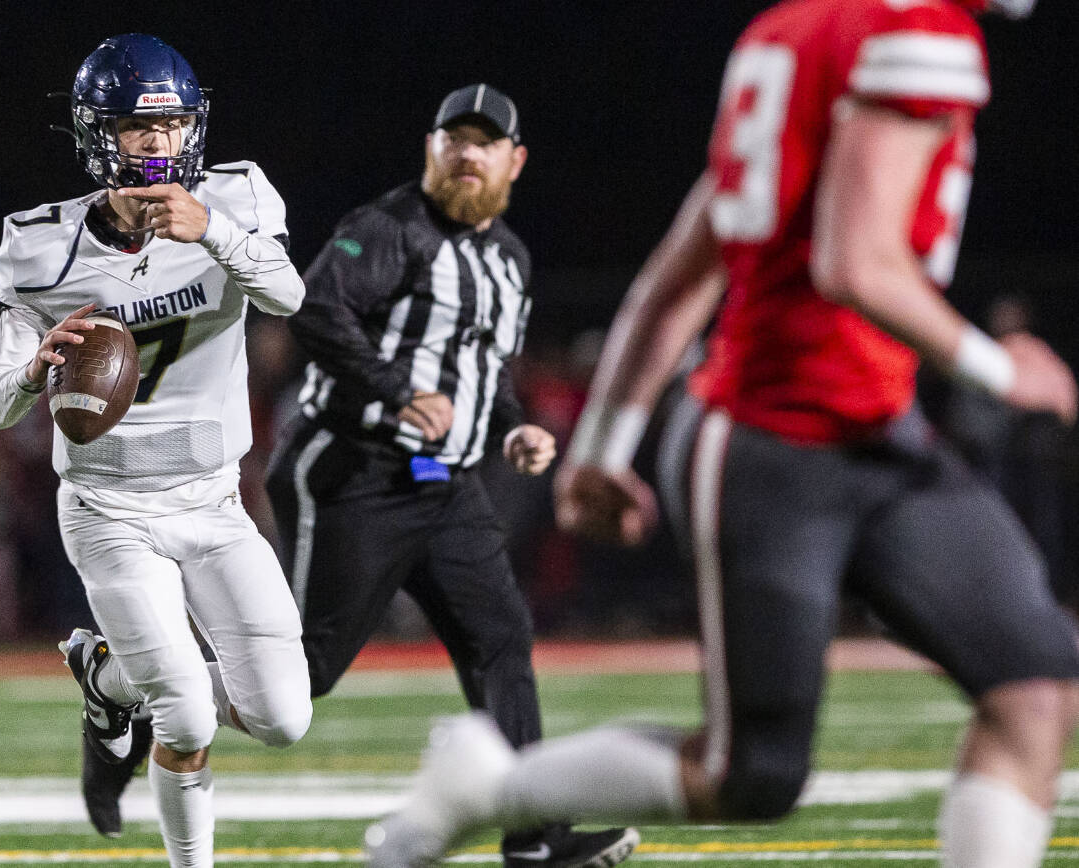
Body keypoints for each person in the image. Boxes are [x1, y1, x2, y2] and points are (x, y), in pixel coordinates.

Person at [364, 2, 1079, 867]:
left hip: (882, 438)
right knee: (753, 774)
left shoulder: (795, 32)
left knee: (1033, 687)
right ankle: (490, 789)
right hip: (776, 444)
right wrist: (1006, 372)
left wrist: (599, 449)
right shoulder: (920, 37)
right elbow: (856, 262)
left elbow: (679, 275)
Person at [265, 85, 639, 868]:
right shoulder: (388, 229)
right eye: (454, 138)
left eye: (486, 141)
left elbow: (483, 370)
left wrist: (513, 428)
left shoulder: (510, 258)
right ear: (430, 149)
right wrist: (399, 391)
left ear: (515, 160)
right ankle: (139, 687)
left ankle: (538, 839)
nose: (468, 154)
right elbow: (314, 311)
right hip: (354, 468)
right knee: (303, 676)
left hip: (444, 482)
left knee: (502, 638)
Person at [0, 33, 312, 867]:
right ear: (97, 135)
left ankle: (106, 680)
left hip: (214, 503)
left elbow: (289, 296)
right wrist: (33, 371)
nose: (158, 143)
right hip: (110, 512)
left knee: (284, 718)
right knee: (187, 712)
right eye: (136, 127)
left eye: (172, 124)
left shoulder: (236, 199)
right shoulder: (46, 249)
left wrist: (215, 231)